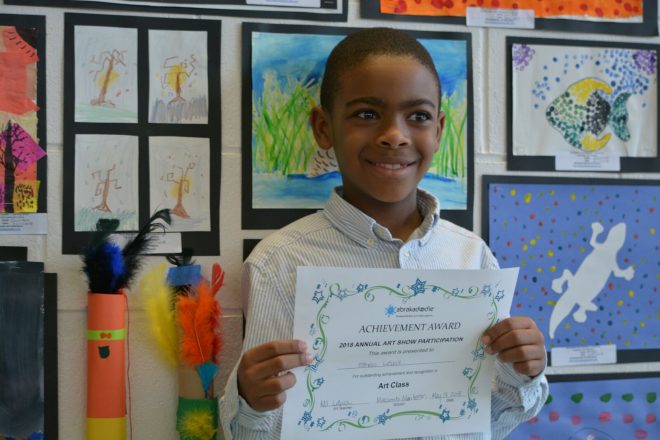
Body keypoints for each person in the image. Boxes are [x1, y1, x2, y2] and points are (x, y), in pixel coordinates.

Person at [220, 27, 548, 439]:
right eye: (367, 114)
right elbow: (255, 434)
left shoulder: (472, 257)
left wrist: (523, 372)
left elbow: (492, 423)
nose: (395, 135)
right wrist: (250, 399)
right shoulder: (280, 264)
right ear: (323, 128)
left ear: (440, 129)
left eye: (419, 116)